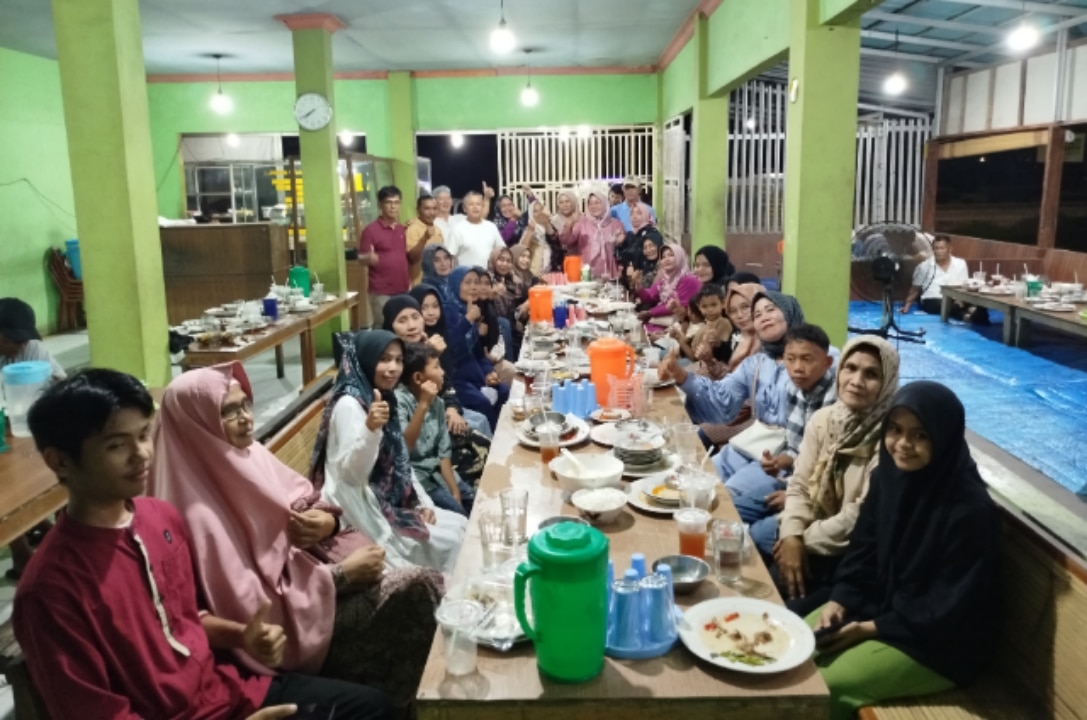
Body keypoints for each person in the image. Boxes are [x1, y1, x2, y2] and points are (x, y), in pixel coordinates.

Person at [15, 369, 392, 720]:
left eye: (144, 435)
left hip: (227, 692)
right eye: (117, 445)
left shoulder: (158, 519)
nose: (142, 453)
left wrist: (241, 635)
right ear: (60, 462)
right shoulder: (50, 590)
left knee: (375, 707)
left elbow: (182, 617)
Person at [150, 364, 444, 705]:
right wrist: (340, 577)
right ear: (195, 424)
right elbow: (243, 602)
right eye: (227, 412)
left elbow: (309, 501)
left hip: (313, 582)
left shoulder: (248, 456)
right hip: (292, 624)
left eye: (245, 405)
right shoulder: (194, 511)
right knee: (418, 590)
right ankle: (411, 705)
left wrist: (326, 523)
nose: (246, 418)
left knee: (433, 584)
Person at [812, 381, 1000, 720]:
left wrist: (871, 628)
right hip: (881, 607)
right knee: (794, 645)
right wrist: (840, 599)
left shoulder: (969, 510)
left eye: (920, 435)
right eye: (895, 430)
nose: (903, 444)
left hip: (939, 643)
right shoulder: (888, 479)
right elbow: (863, 551)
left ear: (943, 438)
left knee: (825, 686)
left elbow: (949, 603)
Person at [312, 331, 468, 573]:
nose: (393, 368)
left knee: (460, 525)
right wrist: (370, 429)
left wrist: (419, 503)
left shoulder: (383, 395)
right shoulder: (350, 404)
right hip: (361, 507)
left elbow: (400, 460)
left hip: (389, 498)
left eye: (398, 360)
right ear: (366, 359)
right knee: (455, 543)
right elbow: (351, 475)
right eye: (384, 359)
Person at [772, 335, 899, 616]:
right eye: (850, 368)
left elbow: (859, 515)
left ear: (888, 381)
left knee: (783, 613)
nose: (856, 380)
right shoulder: (824, 420)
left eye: (871, 374)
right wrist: (791, 534)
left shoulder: (890, 437)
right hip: (810, 537)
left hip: (852, 559)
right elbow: (800, 485)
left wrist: (800, 541)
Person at [718, 324, 839, 556]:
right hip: (794, 481)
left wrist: (794, 497)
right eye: (790, 359)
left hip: (816, 493)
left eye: (807, 359)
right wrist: (780, 462)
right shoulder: (794, 390)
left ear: (827, 363)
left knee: (757, 534)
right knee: (729, 512)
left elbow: (830, 469)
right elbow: (796, 449)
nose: (797, 368)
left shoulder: (836, 402)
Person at [658, 289, 809, 432]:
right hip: (758, 442)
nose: (764, 317)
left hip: (781, 445)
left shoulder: (818, 361)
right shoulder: (756, 362)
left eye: (770, 310)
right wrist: (680, 375)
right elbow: (723, 398)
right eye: (757, 314)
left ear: (789, 312)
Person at [396, 343, 475, 516]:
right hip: (421, 480)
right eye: (437, 367)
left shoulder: (438, 403)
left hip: (440, 474)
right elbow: (404, 447)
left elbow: (443, 453)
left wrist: (455, 491)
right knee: (461, 516)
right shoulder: (399, 402)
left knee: (476, 501)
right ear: (418, 378)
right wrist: (423, 404)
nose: (442, 372)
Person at [406, 285, 492, 440]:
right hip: (425, 412)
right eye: (424, 308)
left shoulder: (436, 333)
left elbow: (446, 381)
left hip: (445, 400)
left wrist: (452, 408)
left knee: (482, 418)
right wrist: (430, 354)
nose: (431, 312)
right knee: (478, 415)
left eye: (435, 306)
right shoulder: (409, 349)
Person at [443, 267, 510, 430]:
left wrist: (489, 371)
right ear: (456, 284)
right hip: (456, 378)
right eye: (467, 283)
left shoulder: (470, 309)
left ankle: (502, 434)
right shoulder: (448, 311)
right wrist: (467, 320)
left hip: (475, 373)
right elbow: (450, 348)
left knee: (504, 391)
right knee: (481, 402)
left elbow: (478, 352)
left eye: (476, 282)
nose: (473, 287)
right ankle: (492, 445)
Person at [359, 186, 416, 328]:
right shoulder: (370, 230)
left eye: (396, 202)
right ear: (380, 205)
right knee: (383, 327)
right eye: (388, 202)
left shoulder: (402, 229)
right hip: (381, 291)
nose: (393, 206)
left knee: (403, 327)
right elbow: (361, 258)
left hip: (403, 288)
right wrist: (369, 258)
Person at [901, 234, 987, 324]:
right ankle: (971, 315)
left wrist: (960, 299)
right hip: (932, 299)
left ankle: (972, 315)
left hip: (956, 298)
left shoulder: (960, 263)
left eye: (942, 248)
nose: (938, 251)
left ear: (950, 249)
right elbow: (915, 289)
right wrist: (907, 306)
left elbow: (964, 285)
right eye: (936, 248)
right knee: (948, 305)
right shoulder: (924, 266)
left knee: (970, 303)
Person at [564, 185, 625, 279]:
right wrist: (568, 225)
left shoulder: (616, 224)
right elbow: (567, 241)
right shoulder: (582, 223)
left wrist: (618, 240)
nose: (593, 206)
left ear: (604, 203)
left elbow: (622, 249)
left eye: (597, 202)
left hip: (610, 272)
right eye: (590, 203)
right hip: (586, 272)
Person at [637, 243, 701, 330]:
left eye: (671, 255)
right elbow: (650, 296)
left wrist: (650, 313)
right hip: (665, 323)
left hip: (682, 325)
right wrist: (639, 288)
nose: (666, 259)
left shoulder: (689, 279)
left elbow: (675, 307)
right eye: (663, 257)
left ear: (679, 257)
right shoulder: (664, 280)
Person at [0, 297, 66, 380]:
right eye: (17, 340)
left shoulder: (31, 346)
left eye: (25, 340)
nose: (22, 346)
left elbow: (60, 380)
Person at [445, 190, 506, 269]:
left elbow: (502, 250)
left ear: (482, 207)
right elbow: (450, 256)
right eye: (471, 204)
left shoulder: (491, 227)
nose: (475, 207)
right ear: (464, 208)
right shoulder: (457, 229)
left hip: (488, 278)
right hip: (466, 278)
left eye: (478, 204)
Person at [618, 203, 664, 291]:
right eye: (632, 214)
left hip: (650, 283)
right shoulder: (631, 235)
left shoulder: (652, 234)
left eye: (639, 213)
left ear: (646, 214)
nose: (634, 217)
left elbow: (654, 258)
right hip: (633, 283)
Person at [405, 194, 443, 285]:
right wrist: (424, 238)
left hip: (435, 282)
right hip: (418, 285)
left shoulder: (437, 229)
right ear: (418, 210)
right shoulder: (412, 229)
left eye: (434, 209)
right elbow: (412, 257)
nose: (431, 212)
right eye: (427, 209)